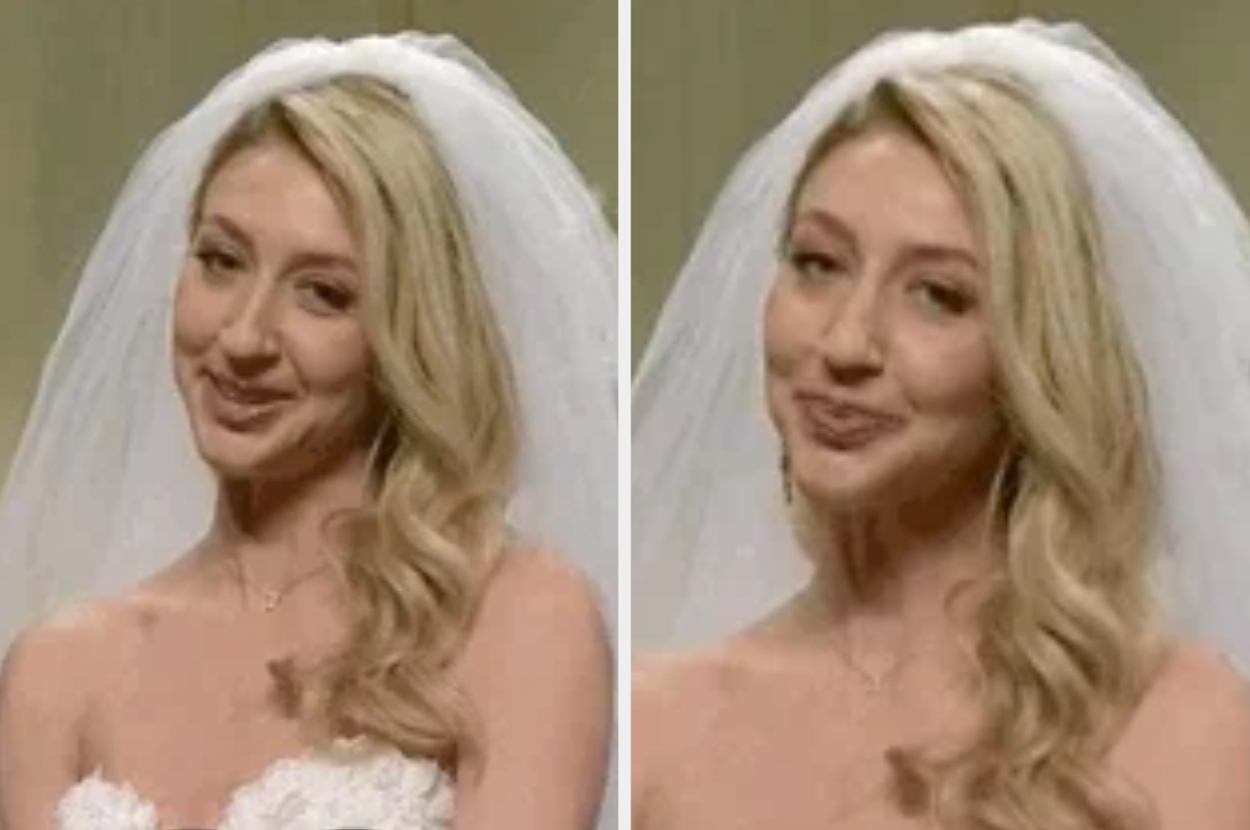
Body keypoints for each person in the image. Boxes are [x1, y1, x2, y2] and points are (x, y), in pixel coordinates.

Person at [633, 20, 1250, 830]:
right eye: (819, 264)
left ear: (1033, 355)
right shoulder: (659, 725)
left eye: (938, 294)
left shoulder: (1179, 720)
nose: (846, 343)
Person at [0, 33, 616, 830]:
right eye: (221, 261)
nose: (245, 338)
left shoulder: (516, 617)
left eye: (321, 293)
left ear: (402, 334)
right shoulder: (57, 672)